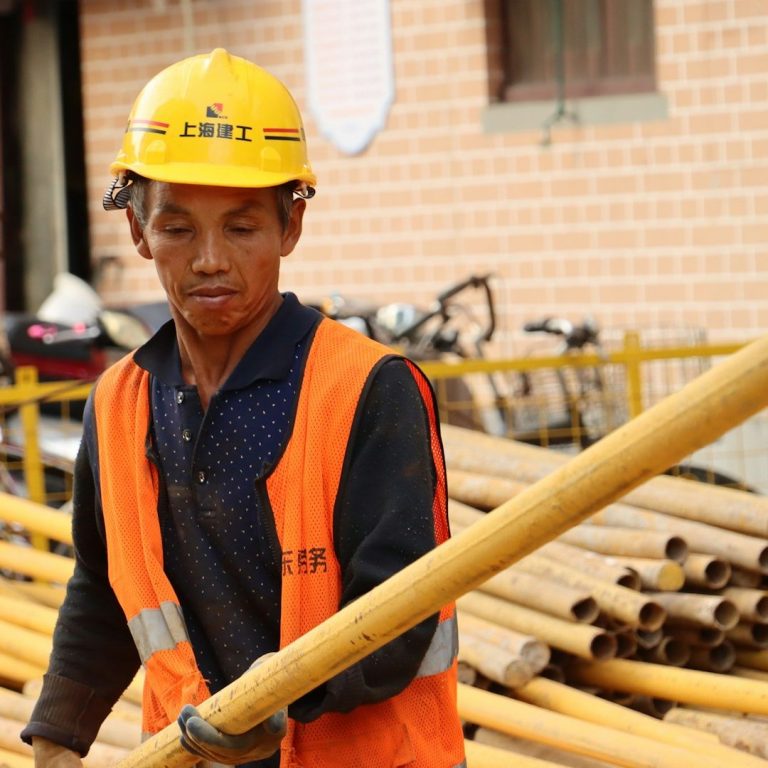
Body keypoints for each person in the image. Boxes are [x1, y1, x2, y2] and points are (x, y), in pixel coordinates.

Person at [21, 48, 466, 768]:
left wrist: (277, 698)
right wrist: (55, 740)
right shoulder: (120, 404)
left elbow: (401, 612)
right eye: (177, 229)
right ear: (137, 231)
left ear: (290, 226)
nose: (209, 259)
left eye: (241, 227)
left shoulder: (365, 388)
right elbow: (104, 591)